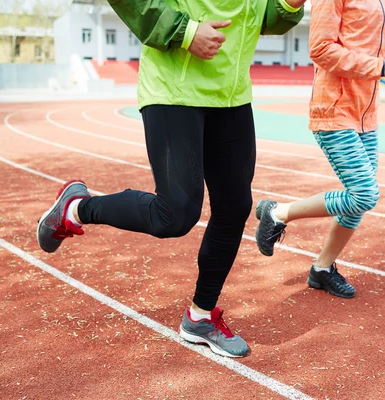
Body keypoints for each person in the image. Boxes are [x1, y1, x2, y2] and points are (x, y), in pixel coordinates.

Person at [36, 0, 305, 358]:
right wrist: (186, 31)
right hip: (175, 89)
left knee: (235, 206)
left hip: (231, 92)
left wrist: (288, 5)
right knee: (175, 214)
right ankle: (77, 209)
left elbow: (256, 15)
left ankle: (201, 316)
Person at [255, 0, 385, 299]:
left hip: (366, 115)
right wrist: (382, 67)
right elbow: (321, 48)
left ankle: (322, 269)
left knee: (359, 201)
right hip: (334, 110)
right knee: (364, 194)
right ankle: (277, 212)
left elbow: (367, 46)